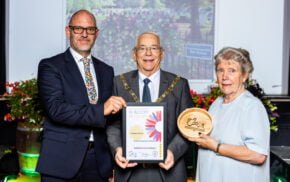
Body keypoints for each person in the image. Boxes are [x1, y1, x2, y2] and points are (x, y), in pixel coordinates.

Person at [36, 9, 126, 182]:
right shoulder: (50, 66)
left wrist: (114, 158)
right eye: (78, 29)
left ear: (96, 33)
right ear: (68, 31)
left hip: (98, 163)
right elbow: (57, 110)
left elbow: (111, 122)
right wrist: (102, 110)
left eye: (90, 29)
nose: (84, 34)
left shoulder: (106, 71)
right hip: (60, 162)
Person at [106, 32, 194, 182]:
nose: (148, 53)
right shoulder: (119, 83)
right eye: (142, 48)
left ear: (162, 53)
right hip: (129, 170)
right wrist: (117, 149)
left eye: (154, 48)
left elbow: (187, 127)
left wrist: (173, 151)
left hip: (169, 172)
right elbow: (113, 125)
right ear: (134, 54)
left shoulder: (179, 84)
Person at [188, 47, 270, 182]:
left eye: (232, 71)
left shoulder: (251, 106)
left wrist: (216, 147)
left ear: (244, 76)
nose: (225, 76)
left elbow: (258, 155)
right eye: (220, 70)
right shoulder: (216, 104)